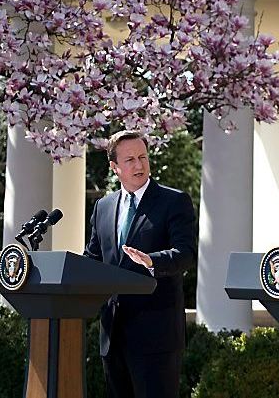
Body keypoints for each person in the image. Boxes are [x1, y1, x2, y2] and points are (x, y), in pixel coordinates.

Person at [84, 130, 196, 398]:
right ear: (115, 167)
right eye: (130, 159)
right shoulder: (103, 207)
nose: (139, 165)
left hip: (156, 336)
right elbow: (93, 259)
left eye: (143, 157)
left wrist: (151, 262)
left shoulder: (174, 201)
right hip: (113, 336)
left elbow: (186, 253)